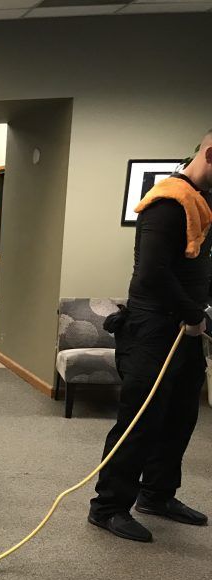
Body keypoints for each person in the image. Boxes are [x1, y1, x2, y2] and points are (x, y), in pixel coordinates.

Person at [88, 130, 212, 542]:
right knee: (140, 420)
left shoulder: (202, 202)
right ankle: (107, 507)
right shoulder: (167, 204)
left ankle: (157, 494)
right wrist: (193, 313)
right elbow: (152, 274)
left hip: (187, 330)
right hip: (154, 329)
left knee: (179, 416)